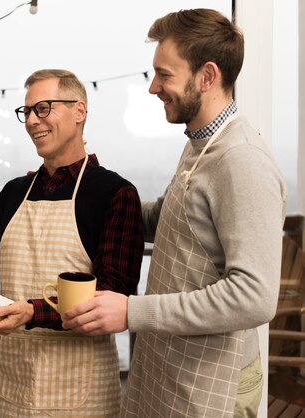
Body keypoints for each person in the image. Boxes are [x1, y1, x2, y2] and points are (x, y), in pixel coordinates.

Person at [62, 9, 287, 418]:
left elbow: (254, 299)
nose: (153, 88)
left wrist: (131, 311)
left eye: (164, 75)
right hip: (176, 369)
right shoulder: (200, 145)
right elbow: (167, 219)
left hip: (214, 382)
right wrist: (85, 194)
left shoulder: (242, 161)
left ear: (207, 76)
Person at [0, 69, 144, 416]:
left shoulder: (115, 194)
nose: (32, 121)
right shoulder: (14, 192)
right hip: (10, 385)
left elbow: (111, 297)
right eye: (27, 112)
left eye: (44, 108)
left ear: (80, 111)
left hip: (80, 393)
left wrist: (30, 311)